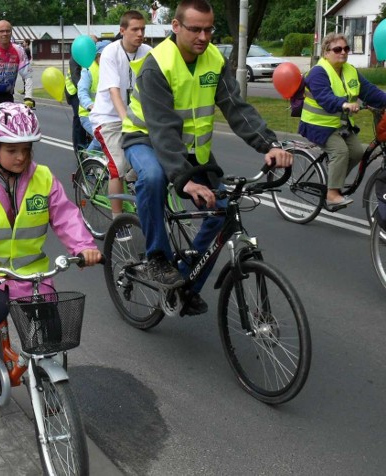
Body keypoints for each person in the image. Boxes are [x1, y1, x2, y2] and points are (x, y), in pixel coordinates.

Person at [121, 0, 292, 313]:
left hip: (191, 147)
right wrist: (185, 180)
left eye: (209, 29)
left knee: (222, 209)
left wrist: (269, 145)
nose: (203, 36)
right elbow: (162, 129)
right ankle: (157, 258)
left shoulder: (214, 59)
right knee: (154, 177)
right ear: (176, 27)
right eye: (195, 29)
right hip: (145, 138)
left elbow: (235, 107)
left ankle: (185, 285)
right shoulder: (156, 65)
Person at [0, 102, 102, 371]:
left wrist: (84, 246)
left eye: (27, 149)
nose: (21, 157)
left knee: (50, 331)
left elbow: (66, 216)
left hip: (32, 274)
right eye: (12, 150)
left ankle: (46, 381)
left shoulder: (43, 178)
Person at [299, 32, 386, 210]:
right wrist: (345, 104)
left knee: (357, 153)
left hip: (341, 126)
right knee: (340, 152)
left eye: (346, 48)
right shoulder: (317, 73)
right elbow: (325, 98)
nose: (343, 52)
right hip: (318, 125)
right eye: (337, 49)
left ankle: (333, 182)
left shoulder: (350, 70)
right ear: (325, 52)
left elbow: (369, 92)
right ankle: (332, 194)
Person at [90, 11, 151, 221]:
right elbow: (114, 91)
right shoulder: (110, 53)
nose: (140, 33)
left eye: (143, 29)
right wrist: (126, 120)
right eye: (135, 29)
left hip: (135, 118)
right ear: (122, 30)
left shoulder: (148, 52)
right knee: (118, 167)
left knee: (153, 159)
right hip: (108, 119)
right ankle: (118, 218)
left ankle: (134, 184)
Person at [0, 20, 33, 107]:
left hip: (8, 96)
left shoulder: (19, 50)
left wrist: (28, 97)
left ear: (11, 33)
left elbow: (27, 75)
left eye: (8, 31)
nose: (5, 34)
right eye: (1, 31)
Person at [64, 34, 98, 154]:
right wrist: (84, 89)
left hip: (85, 91)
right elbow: (75, 76)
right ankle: (79, 148)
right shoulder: (76, 57)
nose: (94, 47)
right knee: (78, 119)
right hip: (74, 92)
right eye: (92, 44)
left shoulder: (94, 58)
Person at [77, 40, 111, 151]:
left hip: (107, 115)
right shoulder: (88, 69)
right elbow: (82, 92)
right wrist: (90, 105)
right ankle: (87, 162)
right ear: (98, 56)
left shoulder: (113, 68)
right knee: (101, 136)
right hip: (88, 115)